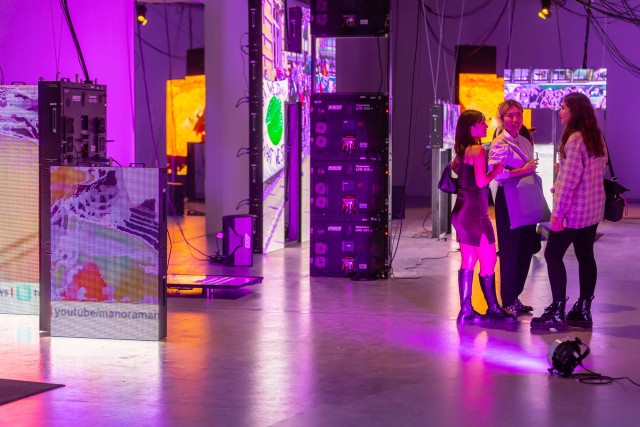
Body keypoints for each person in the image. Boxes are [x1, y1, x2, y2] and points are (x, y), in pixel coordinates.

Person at [530, 92, 607, 330]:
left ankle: (557, 310)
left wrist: (558, 213)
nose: (560, 111)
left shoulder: (574, 139)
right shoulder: (596, 137)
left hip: (573, 212)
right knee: (586, 256)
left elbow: (570, 181)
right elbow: (595, 171)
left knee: (552, 255)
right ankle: (583, 310)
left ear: (575, 112)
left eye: (564, 107)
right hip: (592, 210)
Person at [450, 110, 515, 323]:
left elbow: (454, 169)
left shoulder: (462, 151)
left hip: (461, 212)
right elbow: (481, 182)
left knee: (468, 260)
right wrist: (497, 170)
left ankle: (466, 310)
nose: (486, 126)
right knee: (488, 261)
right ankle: (493, 308)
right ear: (471, 128)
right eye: (481, 123)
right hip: (476, 215)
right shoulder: (477, 150)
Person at [488, 100, 539, 316]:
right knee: (510, 250)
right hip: (509, 198)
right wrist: (522, 170)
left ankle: (515, 297)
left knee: (525, 248)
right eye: (510, 115)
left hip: (526, 196)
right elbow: (496, 173)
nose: (515, 119)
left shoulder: (524, 141)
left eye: (519, 114)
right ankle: (508, 299)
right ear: (501, 119)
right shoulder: (500, 143)